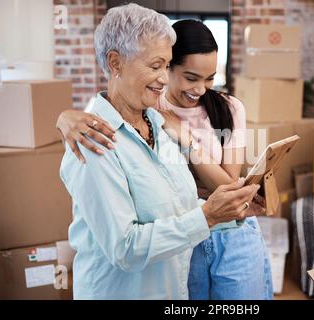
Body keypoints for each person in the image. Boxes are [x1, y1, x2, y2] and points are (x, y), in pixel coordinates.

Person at [58, 3, 262, 300]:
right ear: (115, 63)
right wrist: (207, 216)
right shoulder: (94, 141)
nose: (164, 79)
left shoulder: (157, 123)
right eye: (155, 66)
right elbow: (125, 248)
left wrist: (233, 208)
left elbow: (176, 203)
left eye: (166, 66)